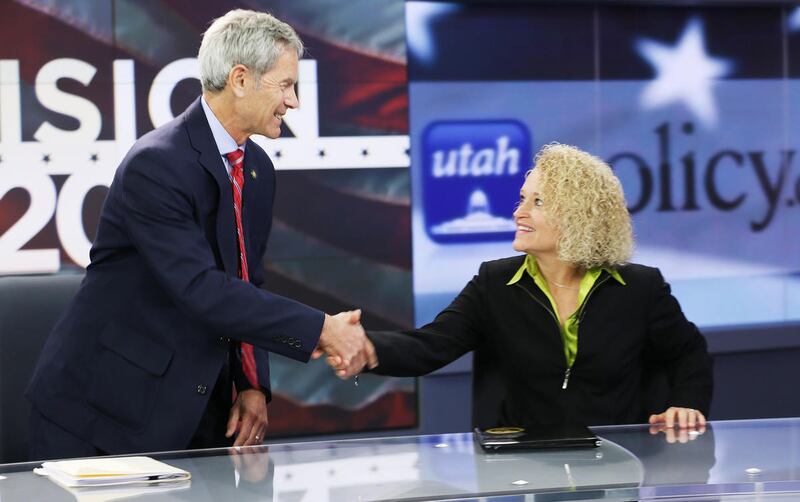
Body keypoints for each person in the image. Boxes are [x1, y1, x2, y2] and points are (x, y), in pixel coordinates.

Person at [25, 9, 375, 460]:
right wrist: (321, 330)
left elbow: (246, 282)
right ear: (241, 79)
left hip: (194, 408)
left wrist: (252, 384)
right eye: (286, 84)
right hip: (102, 416)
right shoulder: (157, 165)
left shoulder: (257, 169)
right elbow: (201, 289)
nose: (294, 102)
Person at [332, 143, 712, 429]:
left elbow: (689, 352)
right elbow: (431, 345)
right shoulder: (495, 283)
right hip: (521, 473)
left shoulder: (640, 288)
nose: (518, 212)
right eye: (522, 199)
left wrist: (687, 403)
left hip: (617, 466)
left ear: (578, 216)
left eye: (538, 202)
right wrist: (367, 349)